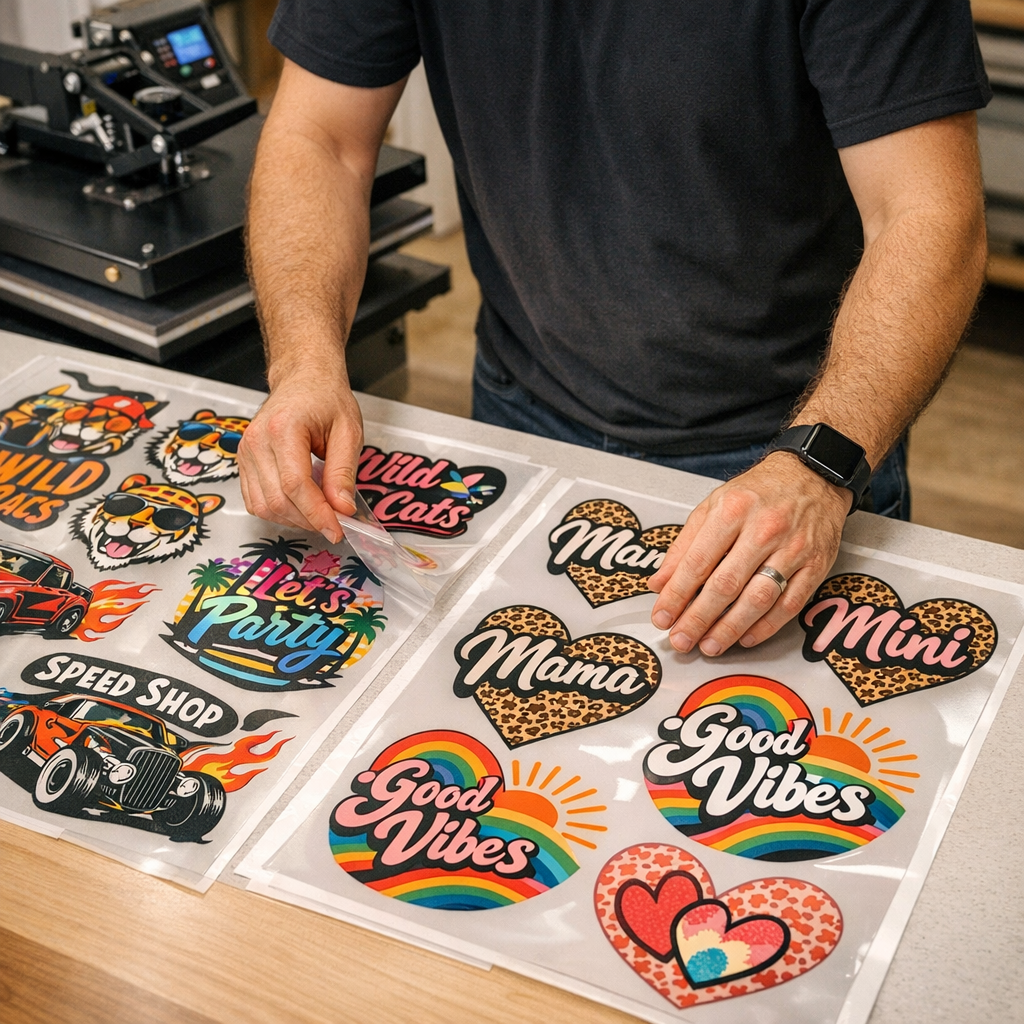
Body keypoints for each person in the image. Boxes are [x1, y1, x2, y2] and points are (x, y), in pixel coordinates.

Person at [239, 1, 990, 659]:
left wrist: (820, 464)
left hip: (788, 451)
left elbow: (926, 215)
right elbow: (321, 138)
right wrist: (304, 364)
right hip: (524, 403)